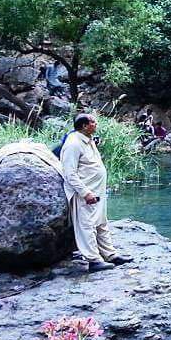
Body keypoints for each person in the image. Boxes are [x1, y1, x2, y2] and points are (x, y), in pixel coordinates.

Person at [59, 113, 133, 272]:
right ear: (84, 126)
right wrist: (85, 193)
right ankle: (93, 260)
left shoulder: (88, 140)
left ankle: (110, 254)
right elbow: (69, 173)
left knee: (101, 222)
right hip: (85, 194)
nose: (96, 124)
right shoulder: (73, 144)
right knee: (87, 225)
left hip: (97, 191)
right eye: (93, 122)